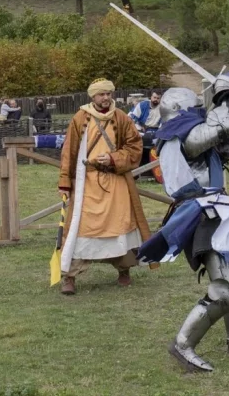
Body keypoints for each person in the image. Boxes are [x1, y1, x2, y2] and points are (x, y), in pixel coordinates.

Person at [137, 79, 229, 372]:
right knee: (228, 290)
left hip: (216, 210)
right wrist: (222, 99)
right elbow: (217, 130)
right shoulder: (180, 135)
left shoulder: (188, 134)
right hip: (201, 214)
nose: (199, 113)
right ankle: (183, 344)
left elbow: (227, 145)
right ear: (182, 112)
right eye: (196, 109)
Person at [57, 79, 150, 295]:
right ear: (93, 97)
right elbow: (68, 152)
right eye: (101, 94)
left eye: (109, 93)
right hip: (86, 184)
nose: (106, 98)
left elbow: (135, 147)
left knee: (120, 227)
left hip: (115, 183)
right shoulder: (80, 118)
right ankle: (70, 276)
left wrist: (113, 158)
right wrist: (64, 182)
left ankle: (124, 270)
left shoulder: (121, 118)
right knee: (81, 229)